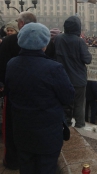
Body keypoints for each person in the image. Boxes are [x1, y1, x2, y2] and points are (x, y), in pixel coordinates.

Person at [5, 23, 75, 174]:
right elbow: (68, 96)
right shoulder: (53, 68)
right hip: (47, 134)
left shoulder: (11, 64)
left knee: (26, 167)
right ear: (44, 44)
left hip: (21, 131)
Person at [0, 11, 37, 170]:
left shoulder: (9, 41)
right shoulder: (42, 40)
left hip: (13, 92)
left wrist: (3, 86)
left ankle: (12, 160)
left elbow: (2, 66)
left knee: (10, 126)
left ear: (21, 24)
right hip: (36, 92)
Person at [54, 16, 92, 128]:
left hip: (63, 78)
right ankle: (80, 126)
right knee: (79, 104)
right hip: (78, 79)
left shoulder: (58, 38)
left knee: (66, 103)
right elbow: (87, 59)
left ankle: (66, 125)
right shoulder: (79, 41)